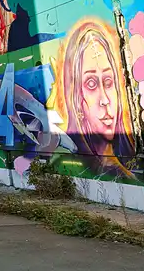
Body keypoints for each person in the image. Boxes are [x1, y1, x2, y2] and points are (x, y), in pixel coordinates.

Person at [52, 19, 135, 177]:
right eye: (91, 83)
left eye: (108, 82)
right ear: (75, 96)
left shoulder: (133, 165)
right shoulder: (66, 161)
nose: (104, 100)